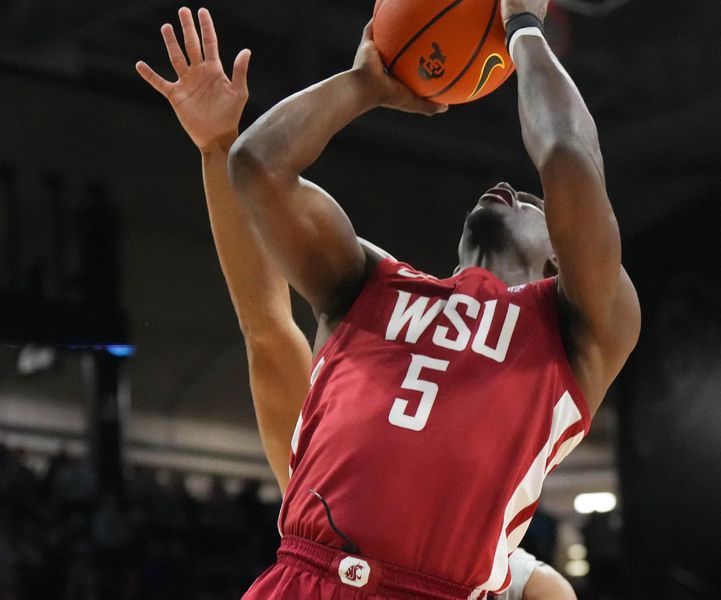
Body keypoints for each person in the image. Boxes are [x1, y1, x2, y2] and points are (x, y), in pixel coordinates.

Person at [139, 4, 636, 598]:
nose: (502, 189)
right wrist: (363, 85)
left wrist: (525, 27)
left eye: (529, 201)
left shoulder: (573, 328)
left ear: (562, 252)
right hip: (299, 578)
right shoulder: (370, 285)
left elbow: (569, 160)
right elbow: (259, 167)